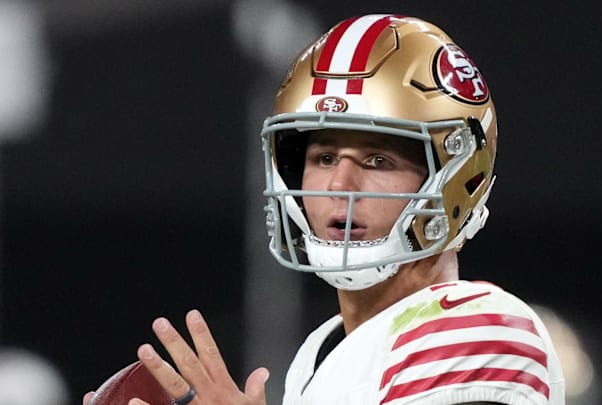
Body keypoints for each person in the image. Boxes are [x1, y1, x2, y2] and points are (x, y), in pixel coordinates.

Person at [83, 14, 565, 405]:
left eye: (379, 160)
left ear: (458, 179)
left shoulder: (476, 331)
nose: (340, 184)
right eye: (324, 157)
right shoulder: (322, 352)